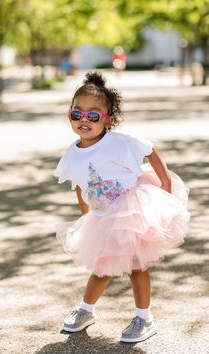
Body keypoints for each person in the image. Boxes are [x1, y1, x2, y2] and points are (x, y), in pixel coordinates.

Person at [53, 71, 190, 343]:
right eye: (77, 114)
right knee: (102, 268)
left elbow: (149, 150)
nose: (84, 120)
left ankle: (144, 317)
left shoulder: (119, 142)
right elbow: (81, 184)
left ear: (108, 120)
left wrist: (165, 183)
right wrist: (86, 216)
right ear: (69, 115)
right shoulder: (72, 153)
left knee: (137, 266)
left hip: (132, 211)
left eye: (93, 116)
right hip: (103, 216)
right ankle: (86, 310)